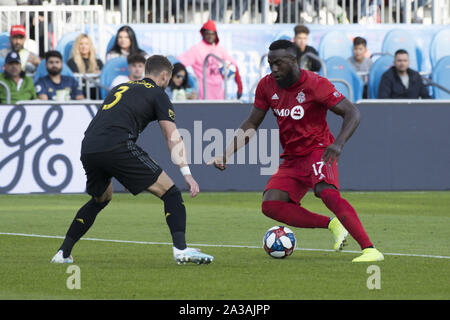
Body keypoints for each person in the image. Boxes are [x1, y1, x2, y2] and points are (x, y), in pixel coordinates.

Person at [208, 40, 384, 263]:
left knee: (326, 192)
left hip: (318, 150)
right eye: (270, 63)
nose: (273, 69)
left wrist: (338, 143)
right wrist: (226, 153)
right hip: (292, 157)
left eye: (278, 63)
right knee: (271, 205)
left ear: (293, 61)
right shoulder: (266, 86)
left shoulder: (315, 84)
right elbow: (252, 122)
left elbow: (352, 113)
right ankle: (332, 223)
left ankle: (370, 249)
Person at [50, 55, 213, 265]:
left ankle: (63, 253)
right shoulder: (158, 93)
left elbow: (110, 121)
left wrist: (125, 172)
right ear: (164, 75)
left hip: (89, 147)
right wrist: (187, 174)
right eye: (168, 79)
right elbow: (171, 136)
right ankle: (181, 250)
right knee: (171, 193)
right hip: (117, 146)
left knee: (101, 199)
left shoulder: (120, 88)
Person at [178, 19, 243, 100]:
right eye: (207, 33)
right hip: (203, 95)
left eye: (212, 34)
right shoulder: (196, 49)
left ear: (216, 35)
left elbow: (234, 66)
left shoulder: (220, 49)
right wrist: (186, 83)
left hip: (220, 94)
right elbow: (179, 64)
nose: (210, 36)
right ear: (203, 34)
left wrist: (240, 87)